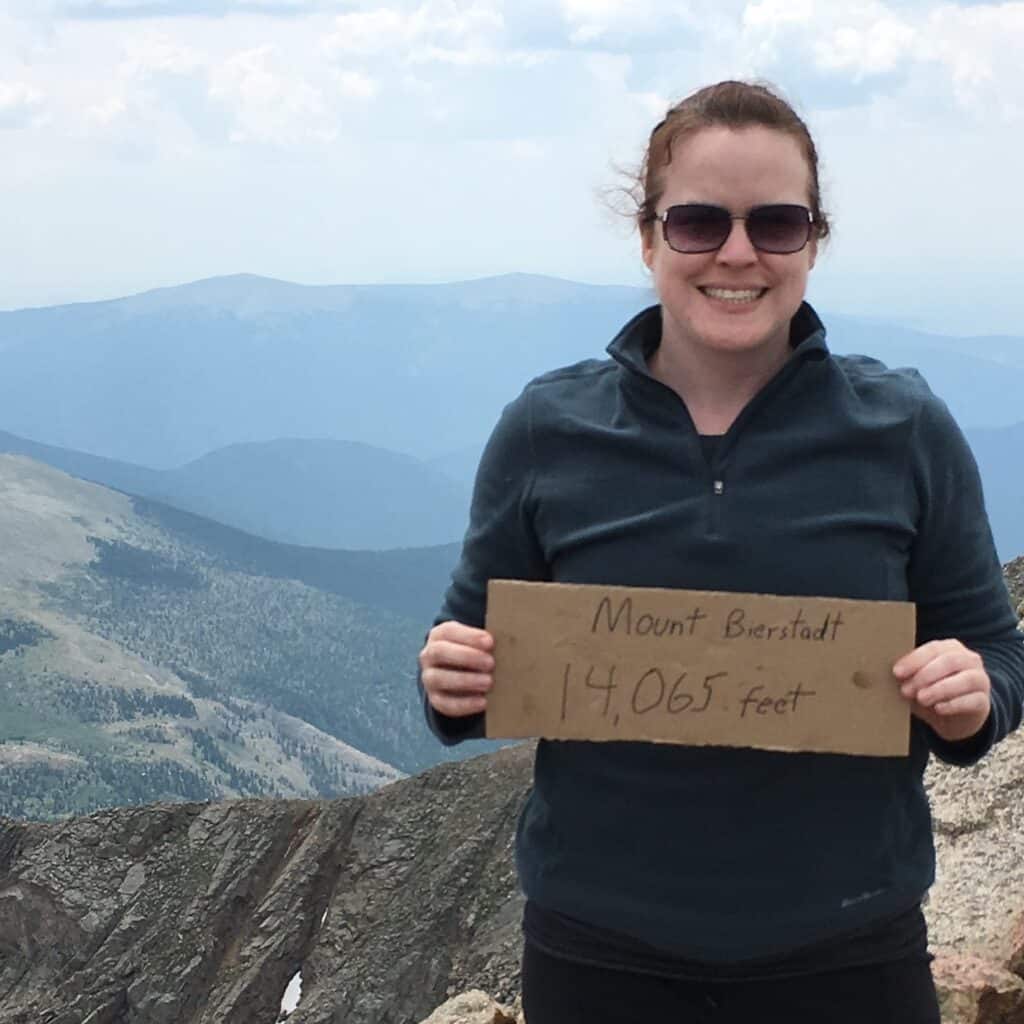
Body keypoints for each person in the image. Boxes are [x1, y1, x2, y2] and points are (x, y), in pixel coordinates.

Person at [417, 80, 1024, 1023]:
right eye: (700, 222)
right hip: (599, 953)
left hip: (850, 951)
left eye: (777, 223)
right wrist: (449, 680)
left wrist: (973, 693)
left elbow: (1000, 654)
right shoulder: (546, 428)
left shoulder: (904, 428)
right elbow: (470, 647)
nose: (738, 253)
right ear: (649, 235)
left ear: (815, 240)